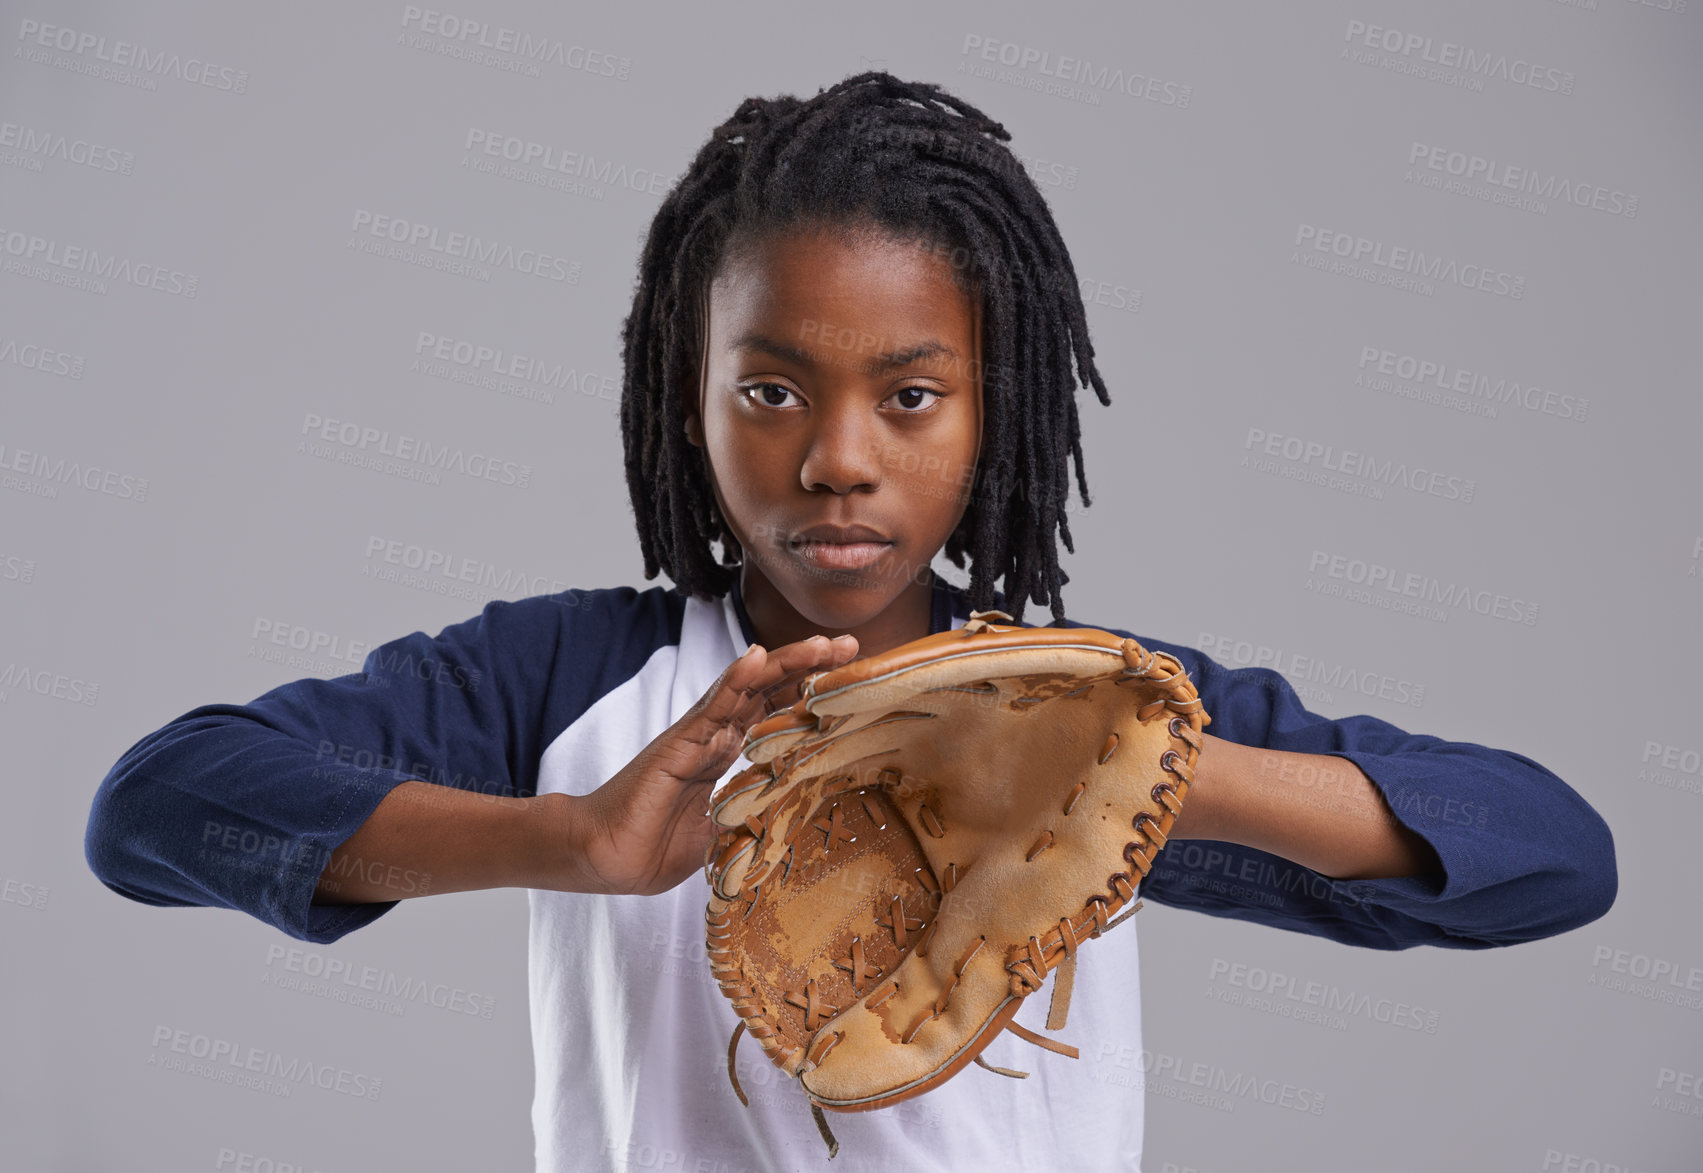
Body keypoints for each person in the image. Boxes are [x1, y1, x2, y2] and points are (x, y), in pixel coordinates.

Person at [84, 73, 1616, 1171]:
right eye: (771, 389)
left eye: (910, 394)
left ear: (989, 414)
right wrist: (571, 842)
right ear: (686, 409)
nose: (837, 455)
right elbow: (153, 808)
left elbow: (1551, 858)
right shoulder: (568, 681)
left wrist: (1138, 776)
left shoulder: (1085, 707)